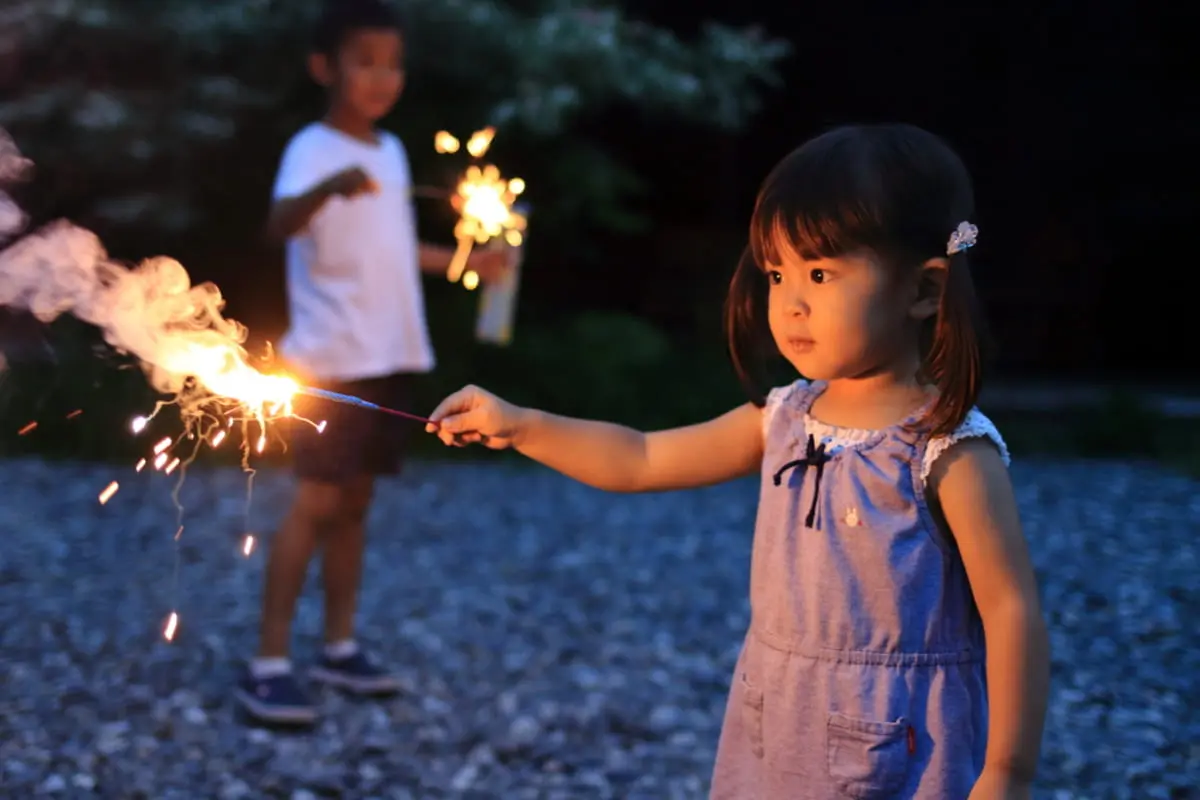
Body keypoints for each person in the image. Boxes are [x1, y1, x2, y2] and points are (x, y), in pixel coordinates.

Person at [427, 124, 1050, 798]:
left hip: (899, 744)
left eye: (820, 272)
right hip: (776, 719)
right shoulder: (783, 419)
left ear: (925, 290)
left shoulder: (946, 451)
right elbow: (640, 459)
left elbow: (1011, 610)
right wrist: (524, 426)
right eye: (778, 273)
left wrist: (1006, 771)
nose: (791, 301)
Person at [236, 0, 507, 726]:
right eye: (366, 61)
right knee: (317, 502)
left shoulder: (389, 150)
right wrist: (328, 188)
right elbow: (279, 224)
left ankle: (340, 647)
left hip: (391, 352)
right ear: (325, 67)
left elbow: (391, 250)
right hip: (330, 363)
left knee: (356, 505)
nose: (383, 77)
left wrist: (465, 263)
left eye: (393, 63)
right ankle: (268, 662)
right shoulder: (313, 149)